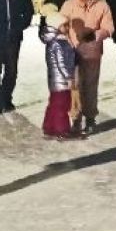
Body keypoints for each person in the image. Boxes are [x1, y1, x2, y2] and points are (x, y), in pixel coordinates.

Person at [58, 0, 114, 133]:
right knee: (74, 85)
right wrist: (62, 31)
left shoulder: (102, 7)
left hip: (92, 52)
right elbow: (60, 23)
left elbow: (109, 27)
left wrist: (96, 35)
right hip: (72, 51)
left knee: (90, 85)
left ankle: (90, 118)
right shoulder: (69, 5)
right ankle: (75, 118)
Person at [39, 9, 82, 139]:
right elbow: (61, 63)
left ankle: (49, 127)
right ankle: (61, 129)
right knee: (61, 105)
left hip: (57, 81)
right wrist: (68, 77)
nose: (67, 27)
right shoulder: (57, 43)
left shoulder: (59, 41)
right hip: (61, 81)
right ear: (57, 27)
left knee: (54, 104)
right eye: (65, 25)